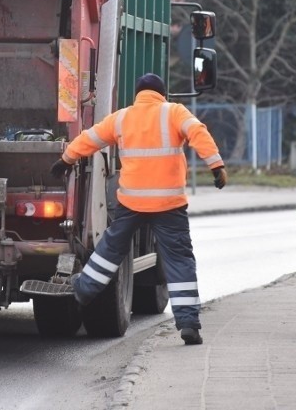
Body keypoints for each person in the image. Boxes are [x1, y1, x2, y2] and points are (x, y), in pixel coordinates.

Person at [50, 73, 227, 345]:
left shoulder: (122, 118)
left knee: (111, 248)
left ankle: (83, 291)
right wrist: (216, 166)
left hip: (132, 203)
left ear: (138, 94)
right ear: (161, 93)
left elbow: (90, 138)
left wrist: (65, 159)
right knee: (179, 260)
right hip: (169, 205)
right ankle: (189, 324)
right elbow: (198, 132)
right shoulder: (175, 112)